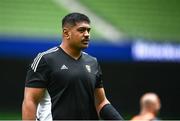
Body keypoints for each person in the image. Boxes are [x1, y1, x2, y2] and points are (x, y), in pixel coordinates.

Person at [22, 12, 123, 120]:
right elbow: (30, 101)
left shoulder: (93, 62)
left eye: (88, 30)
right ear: (66, 33)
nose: (87, 34)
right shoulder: (45, 59)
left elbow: (101, 102)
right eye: (81, 30)